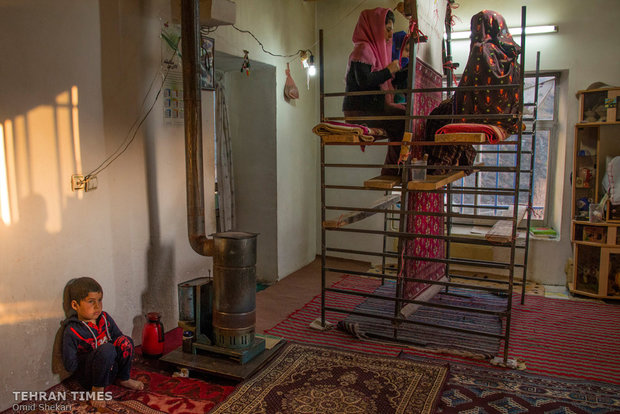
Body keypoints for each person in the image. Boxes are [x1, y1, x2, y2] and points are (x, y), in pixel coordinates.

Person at [343, 7, 409, 176]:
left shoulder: (375, 51)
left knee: (407, 117)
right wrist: (389, 70)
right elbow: (364, 81)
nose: (389, 36)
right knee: (405, 120)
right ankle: (392, 170)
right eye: (387, 30)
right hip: (360, 111)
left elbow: (384, 80)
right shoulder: (363, 49)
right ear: (375, 28)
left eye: (391, 31)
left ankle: (394, 168)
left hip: (371, 107)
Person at [62, 277, 144, 408]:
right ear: (75, 305)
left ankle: (123, 378)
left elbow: (119, 338)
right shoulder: (72, 330)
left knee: (126, 341)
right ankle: (97, 390)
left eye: (99, 300)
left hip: (111, 369)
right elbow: (70, 365)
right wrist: (94, 355)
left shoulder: (104, 318)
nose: (97, 306)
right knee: (107, 349)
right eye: (90, 301)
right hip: (90, 376)